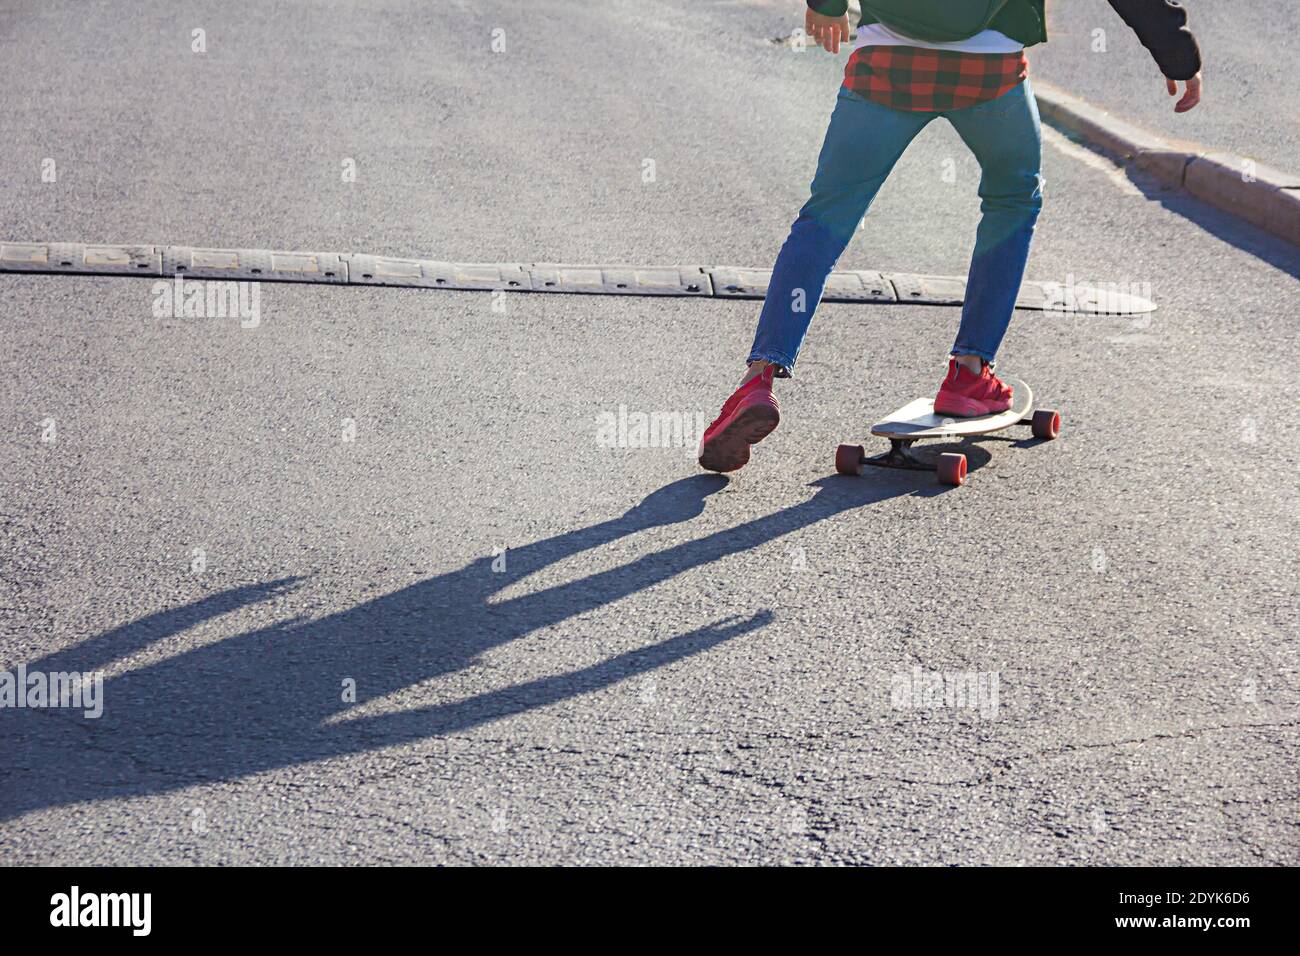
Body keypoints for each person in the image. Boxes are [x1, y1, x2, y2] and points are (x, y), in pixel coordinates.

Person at [698, 0, 1201, 473]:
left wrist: (825, 3)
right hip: (989, 69)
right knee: (1012, 200)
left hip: (887, 61)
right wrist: (1175, 53)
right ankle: (969, 370)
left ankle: (759, 378)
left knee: (826, 217)